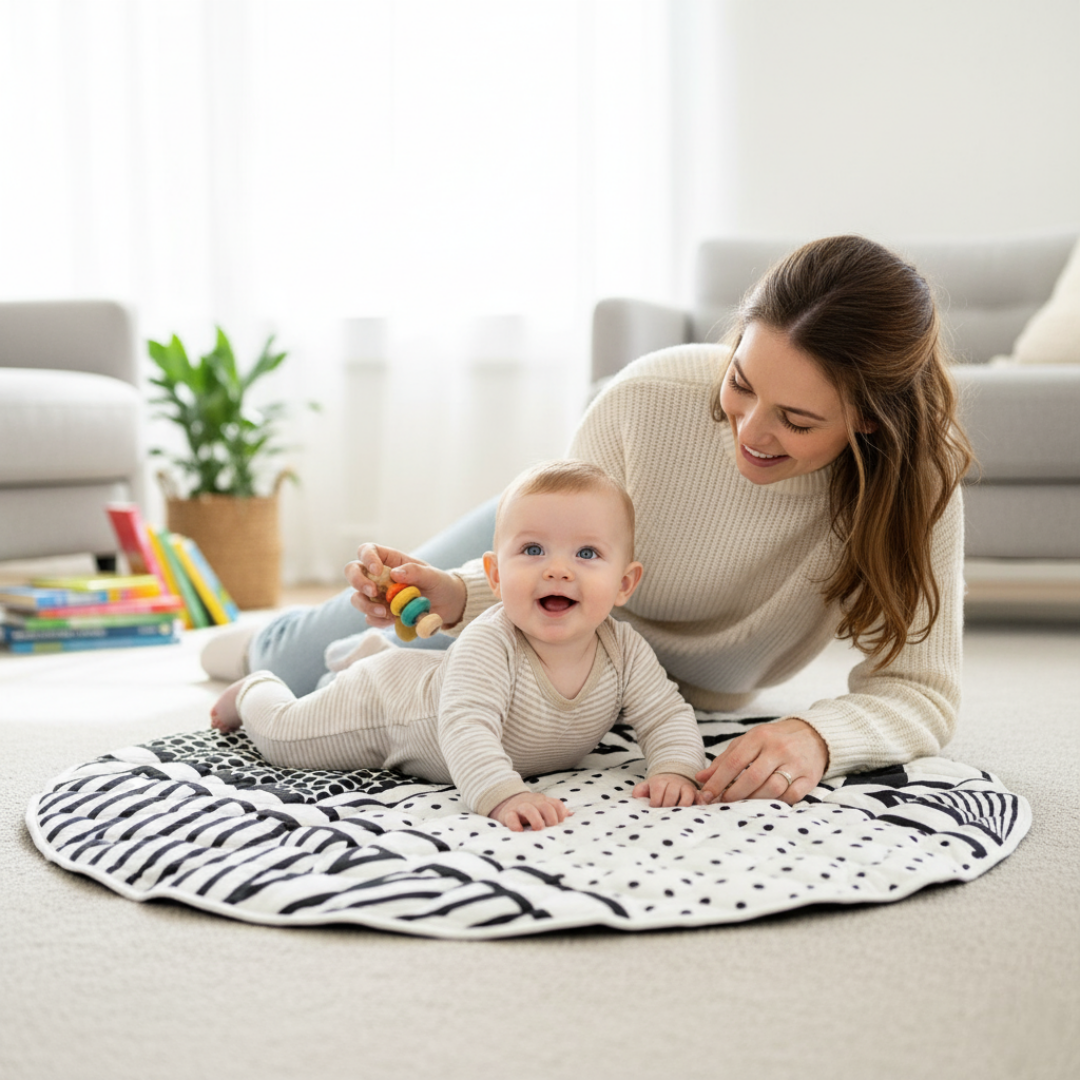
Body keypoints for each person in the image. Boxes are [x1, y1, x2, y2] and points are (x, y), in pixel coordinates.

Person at [204, 234, 973, 809]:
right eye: (741, 383)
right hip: (552, 576)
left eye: (797, 421)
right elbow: (559, 547)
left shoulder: (916, 482)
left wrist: (819, 736)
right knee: (312, 664)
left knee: (407, 668)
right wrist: (456, 594)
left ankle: (352, 647)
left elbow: (922, 691)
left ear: (870, 422)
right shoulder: (651, 398)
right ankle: (272, 639)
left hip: (630, 662)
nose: (750, 431)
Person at [210, 460, 707, 831]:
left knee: (397, 670)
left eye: (587, 553)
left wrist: (676, 767)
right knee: (284, 738)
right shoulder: (491, 641)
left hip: (419, 679)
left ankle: (369, 652)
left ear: (625, 583)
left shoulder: (625, 650)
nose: (558, 569)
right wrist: (501, 793)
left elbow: (666, 714)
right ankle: (258, 686)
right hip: (388, 706)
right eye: (532, 550)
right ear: (494, 574)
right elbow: (466, 728)